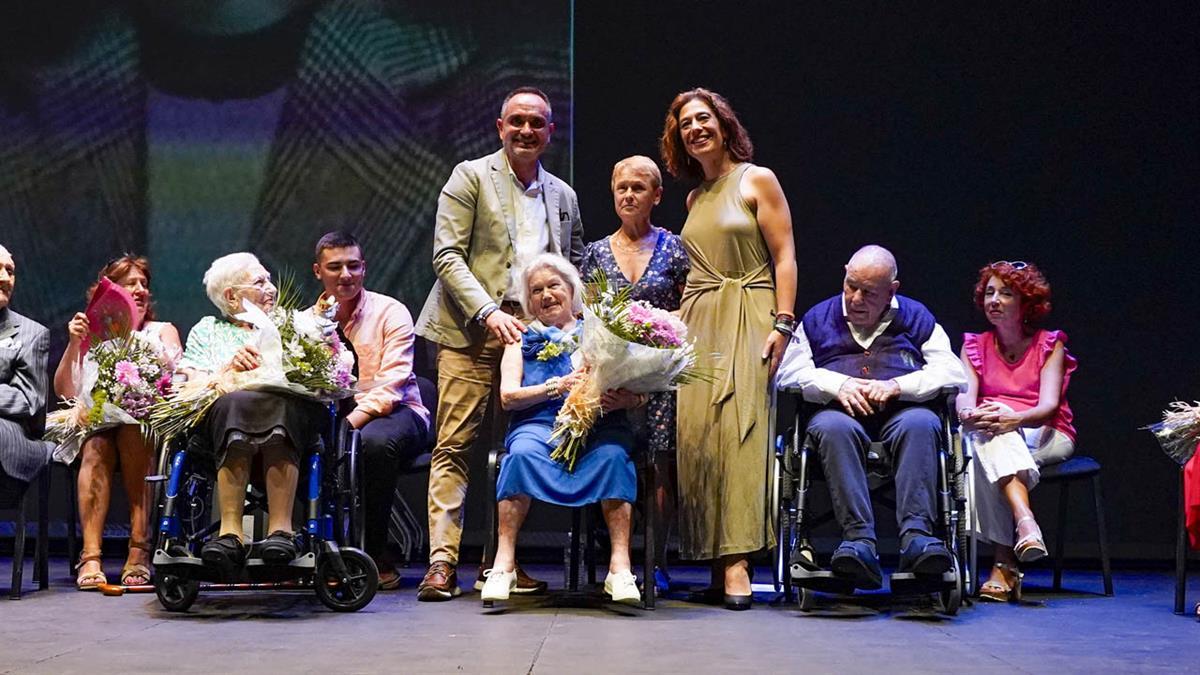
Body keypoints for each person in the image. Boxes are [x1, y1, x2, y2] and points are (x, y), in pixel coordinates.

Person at [415, 86, 584, 601]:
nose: (526, 131)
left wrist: (579, 332)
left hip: (535, 341)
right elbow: (447, 256)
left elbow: (573, 265)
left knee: (514, 448)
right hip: (470, 330)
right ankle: (442, 564)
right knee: (456, 444)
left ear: (550, 132)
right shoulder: (470, 176)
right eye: (517, 122)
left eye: (537, 123)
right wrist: (488, 312)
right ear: (500, 127)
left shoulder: (563, 195)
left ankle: (499, 563)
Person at [659, 87, 797, 609]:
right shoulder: (694, 199)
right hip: (701, 319)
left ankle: (739, 562)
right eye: (684, 125)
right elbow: (697, 271)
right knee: (701, 437)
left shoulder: (756, 179)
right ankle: (715, 561)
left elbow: (785, 256)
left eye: (703, 119)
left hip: (751, 309)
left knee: (742, 433)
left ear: (723, 123)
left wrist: (783, 322)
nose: (695, 129)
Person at [775, 245, 967, 591]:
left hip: (903, 416)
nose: (855, 298)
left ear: (892, 290)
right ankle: (858, 543)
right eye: (850, 285)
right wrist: (838, 384)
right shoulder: (819, 318)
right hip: (839, 419)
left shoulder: (917, 317)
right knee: (831, 427)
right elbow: (788, 374)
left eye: (869, 292)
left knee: (923, 423)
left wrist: (898, 386)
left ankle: (918, 540)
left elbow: (953, 373)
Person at [480, 254, 643, 604]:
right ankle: (504, 564)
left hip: (600, 427)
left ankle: (620, 568)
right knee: (519, 456)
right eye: (536, 290)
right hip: (538, 426)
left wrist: (622, 400)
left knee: (615, 458)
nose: (546, 295)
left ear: (572, 290)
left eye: (554, 286)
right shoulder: (520, 338)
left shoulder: (604, 331)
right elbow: (508, 397)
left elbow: (638, 395)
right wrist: (556, 387)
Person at [580, 155, 689, 593]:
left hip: (660, 378)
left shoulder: (675, 248)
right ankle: (614, 558)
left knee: (660, 466)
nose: (628, 194)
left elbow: (691, 308)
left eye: (638, 188)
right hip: (611, 382)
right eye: (621, 187)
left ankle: (656, 560)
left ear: (656, 195)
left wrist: (655, 333)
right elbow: (586, 319)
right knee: (610, 459)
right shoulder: (595, 253)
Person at [177, 252, 325, 567]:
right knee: (235, 403)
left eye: (269, 279)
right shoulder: (207, 330)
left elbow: (317, 378)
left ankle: (281, 531)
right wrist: (229, 370)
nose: (271, 288)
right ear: (231, 297)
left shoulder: (293, 324)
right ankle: (230, 533)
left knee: (278, 403)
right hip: (223, 426)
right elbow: (189, 387)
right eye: (260, 282)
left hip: (288, 422)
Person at [53, 255, 183, 589]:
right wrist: (75, 343)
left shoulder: (161, 331)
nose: (139, 290)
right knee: (96, 444)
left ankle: (139, 549)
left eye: (144, 284)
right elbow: (66, 390)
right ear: (109, 292)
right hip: (98, 425)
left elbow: (175, 381)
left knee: (132, 433)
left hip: (144, 424)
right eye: (130, 284)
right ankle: (91, 555)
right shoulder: (92, 336)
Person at [311, 231, 430, 590]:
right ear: (319, 271)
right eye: (335, 267)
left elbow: (392, 385)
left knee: (372, 444)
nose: (345, 274)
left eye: (353, 265)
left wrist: (347, 426)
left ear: (364, 268)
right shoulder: (307, 321)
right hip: (337, 415)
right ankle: (314, 550)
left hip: (396, 411)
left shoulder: (390, 311)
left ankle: (376, 551)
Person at [957, 260, 1077, 602]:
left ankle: (1004, 561)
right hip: (993, 432)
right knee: (990, 440)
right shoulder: (974, 345)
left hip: (1045, 432)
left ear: (1026, 303)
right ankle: (1025, 525)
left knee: (992, 443)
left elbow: (1048, 407)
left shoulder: (1048, 344)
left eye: (1006, 294)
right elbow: (965, 397)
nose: (994, 300)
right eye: (990, 293)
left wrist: (1012, 418)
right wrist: (971, 413)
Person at [0, 244, 53, 517]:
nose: (5, 278)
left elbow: (29, 398)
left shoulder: (31, 334)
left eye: (10, 271)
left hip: (12, 440)